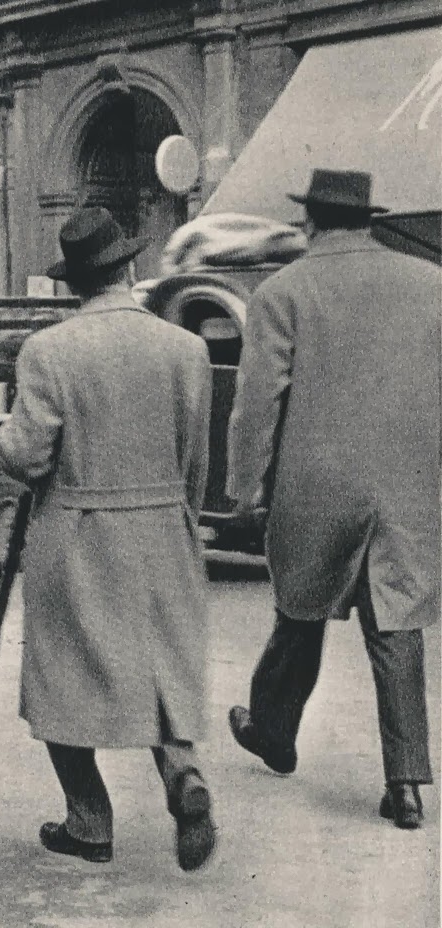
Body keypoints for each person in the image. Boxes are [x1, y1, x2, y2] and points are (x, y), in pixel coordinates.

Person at [0, 206, 216, 871]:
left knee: (62, 677)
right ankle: (184, 776)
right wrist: (180, 520)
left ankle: (89, 818)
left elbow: (29, 456)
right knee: (161, 669)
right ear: (130, 266)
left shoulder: (49, 350)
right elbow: (197, 460)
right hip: (164, 525)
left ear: (74, 282)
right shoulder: (187, 350)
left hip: (78, 532)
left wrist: (1, 445)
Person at [225, 169, 441, 829]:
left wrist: (243, 487)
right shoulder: (432, 284)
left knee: (300, 609)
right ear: (367, 220)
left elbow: (257, 403)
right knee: (395, 626)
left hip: (317, 487)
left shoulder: (282, 292)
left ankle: (272, 729)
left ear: (310, 221)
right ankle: (405, 785)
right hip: (409, 485)